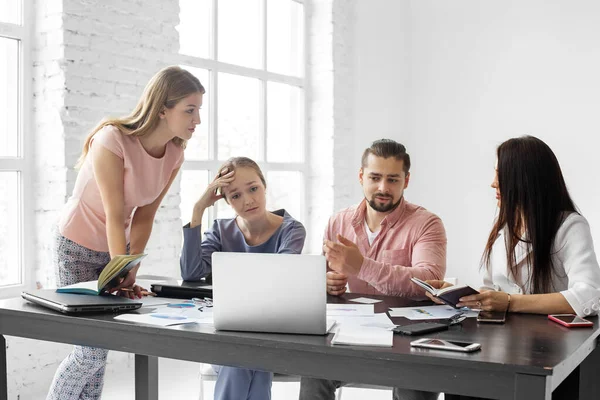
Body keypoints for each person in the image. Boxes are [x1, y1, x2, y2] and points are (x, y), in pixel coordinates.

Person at [47, 66, 205, 400]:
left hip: (113, 251)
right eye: (190, 110)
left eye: (199, 110)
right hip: (75, 247)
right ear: (163, 108)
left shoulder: (175, 153)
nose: (197, 120)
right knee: (91, 351)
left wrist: (131, 270)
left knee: (98, 352)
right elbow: (114, 212)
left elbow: (144, 216)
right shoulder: (112, 139)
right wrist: (121, 267)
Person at [299, 139, 447, 400]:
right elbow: (321, 276)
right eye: (375, 177)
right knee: (313, 373)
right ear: (361, 176)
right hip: (353, 334)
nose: (383, 188)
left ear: (406, 181)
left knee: (416, 388)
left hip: (410, 342)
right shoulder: (339, 222)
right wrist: (326, 282)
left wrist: (362, 266)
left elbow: (430, 280)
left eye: (392, 180)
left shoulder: (427, 224)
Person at [425, 135, 600, 317]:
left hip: (550, 341)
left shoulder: (570, 227)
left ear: (526, 180)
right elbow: (492, 293)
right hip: (505, 336)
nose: (493, 183)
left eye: (501, 175)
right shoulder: (504, 228)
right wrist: (456, 294)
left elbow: (589, 295)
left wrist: (510, 302)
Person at [180, 156, 306, 400]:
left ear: (264, 185)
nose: (248, 200)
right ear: (226, 201)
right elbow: (191, 272)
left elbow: (280, 282)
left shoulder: (291, 230)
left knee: (241, 360)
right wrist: (198, 209)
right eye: (236, 195)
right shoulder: (220, 230)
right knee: (244, 360)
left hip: (274, 335)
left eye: (253, 189)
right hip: (226, 334)